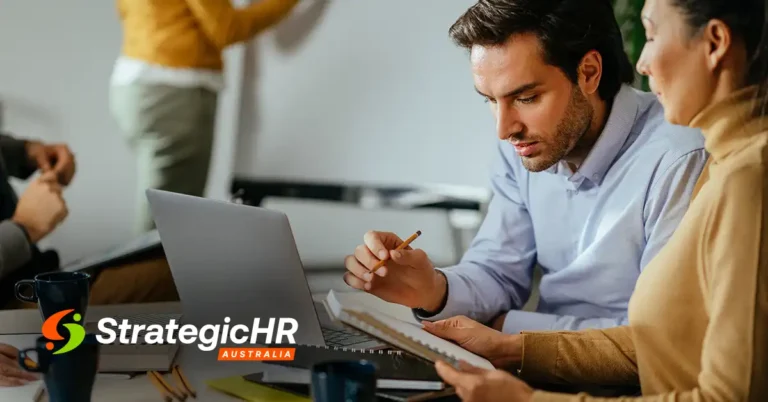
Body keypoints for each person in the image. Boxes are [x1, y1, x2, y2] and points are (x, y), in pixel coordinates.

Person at [415, 0, 768, 400]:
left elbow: (723, 391)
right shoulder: (730, 167)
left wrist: (525, 390)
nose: (642, 64)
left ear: (715, 42)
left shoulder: (742, 176)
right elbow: (658, 340)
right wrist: (503, 339)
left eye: (651, 35)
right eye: (490, 101)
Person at [343, 0, 708, 335]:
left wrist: (510, 330)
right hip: (533, 371)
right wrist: (433, 290)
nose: (505, 130)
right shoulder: (525, 147)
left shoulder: (679, 159)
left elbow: (658, 337)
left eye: (526, 97)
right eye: (490, 100)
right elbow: (497, 272)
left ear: (590, 72)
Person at [0, 133, 179, 386]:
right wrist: (23, 228)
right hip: (14, 300)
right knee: (178, 272)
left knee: (173, 259)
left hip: (32, 277)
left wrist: (24, 152)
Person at [110, 0, 300, 234]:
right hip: (174, 91)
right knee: (168, 226)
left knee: (164, 218)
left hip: (137, 86)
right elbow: (227, 28)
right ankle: (138, 273)